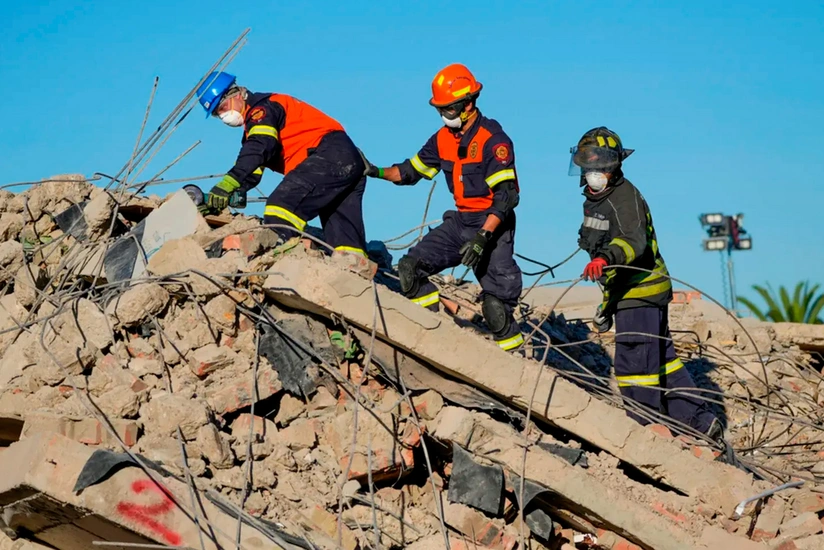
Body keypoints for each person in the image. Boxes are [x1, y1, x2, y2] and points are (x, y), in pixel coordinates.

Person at [571, 126, 722, 439]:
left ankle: (646, 430)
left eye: (598, 169)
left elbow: (634, 242)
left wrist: (606, 258)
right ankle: (701, 424)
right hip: (630, 293)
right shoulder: (596, 201)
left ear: (613, 168)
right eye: (588, 169)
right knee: (662, 361)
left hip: (639, 292)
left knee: (635, 364)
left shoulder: (624, 198)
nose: (592, 175)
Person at [363, 64, 524, 352]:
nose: (443, 116)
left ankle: (515, 360)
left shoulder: (493, 140)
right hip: (461, 222)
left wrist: (482, 238)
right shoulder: (441, 140)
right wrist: (374, 171)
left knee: (496, 308)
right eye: (440, 109)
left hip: (493, 227)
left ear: (468, 104)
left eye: (448, 109)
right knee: (410, 270)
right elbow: (409, 171)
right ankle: (432, 333)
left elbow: (507, 197)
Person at [196, 71, 368, 257]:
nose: (222, 116)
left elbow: (259, 148)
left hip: (329, 155)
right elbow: (254, 168)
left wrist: (227, 183)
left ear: (236, 93)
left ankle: (276, 252)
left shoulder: (262, 110)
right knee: (343, 236)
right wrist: (228, 195)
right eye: (216, 114)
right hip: (346, 160)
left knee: (282, 204)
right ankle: (354, 271)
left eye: (221, 108)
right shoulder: (255, 128)